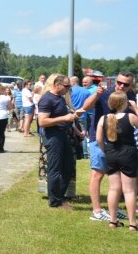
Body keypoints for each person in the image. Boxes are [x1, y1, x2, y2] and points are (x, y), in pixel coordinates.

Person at [79, 71, 136, 222]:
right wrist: (97, 95)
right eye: (119, 82)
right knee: (97, 174)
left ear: (131, 85)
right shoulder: (104, 92)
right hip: (100, 139)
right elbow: (85, 107)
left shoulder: (130, 96)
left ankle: (113, 211)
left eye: (125, 84)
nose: (121, 86)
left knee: (116, 178)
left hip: (120, 143)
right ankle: (97, 211)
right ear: (114, 81)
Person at [96, 91, 138, 230]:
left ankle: (113, 221)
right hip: (128, 153)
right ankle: (132, 223)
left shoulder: (104, 118)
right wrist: (136, 108)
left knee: (113, 189)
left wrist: (105, 150)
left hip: (111, 153)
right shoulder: (131, 117)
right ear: (124, 103)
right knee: (129, 191)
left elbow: (98, 139)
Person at [37, 74, 77, 210]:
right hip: (53, 136)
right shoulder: (47, 99)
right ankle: (54, 201)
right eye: (67, 86)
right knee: (55, 169)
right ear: (57, 85)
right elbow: (42, 121)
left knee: (68, 167)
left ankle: (59, 197)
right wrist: (63, 118)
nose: (68, 88)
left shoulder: (59, 98)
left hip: (62, 135)